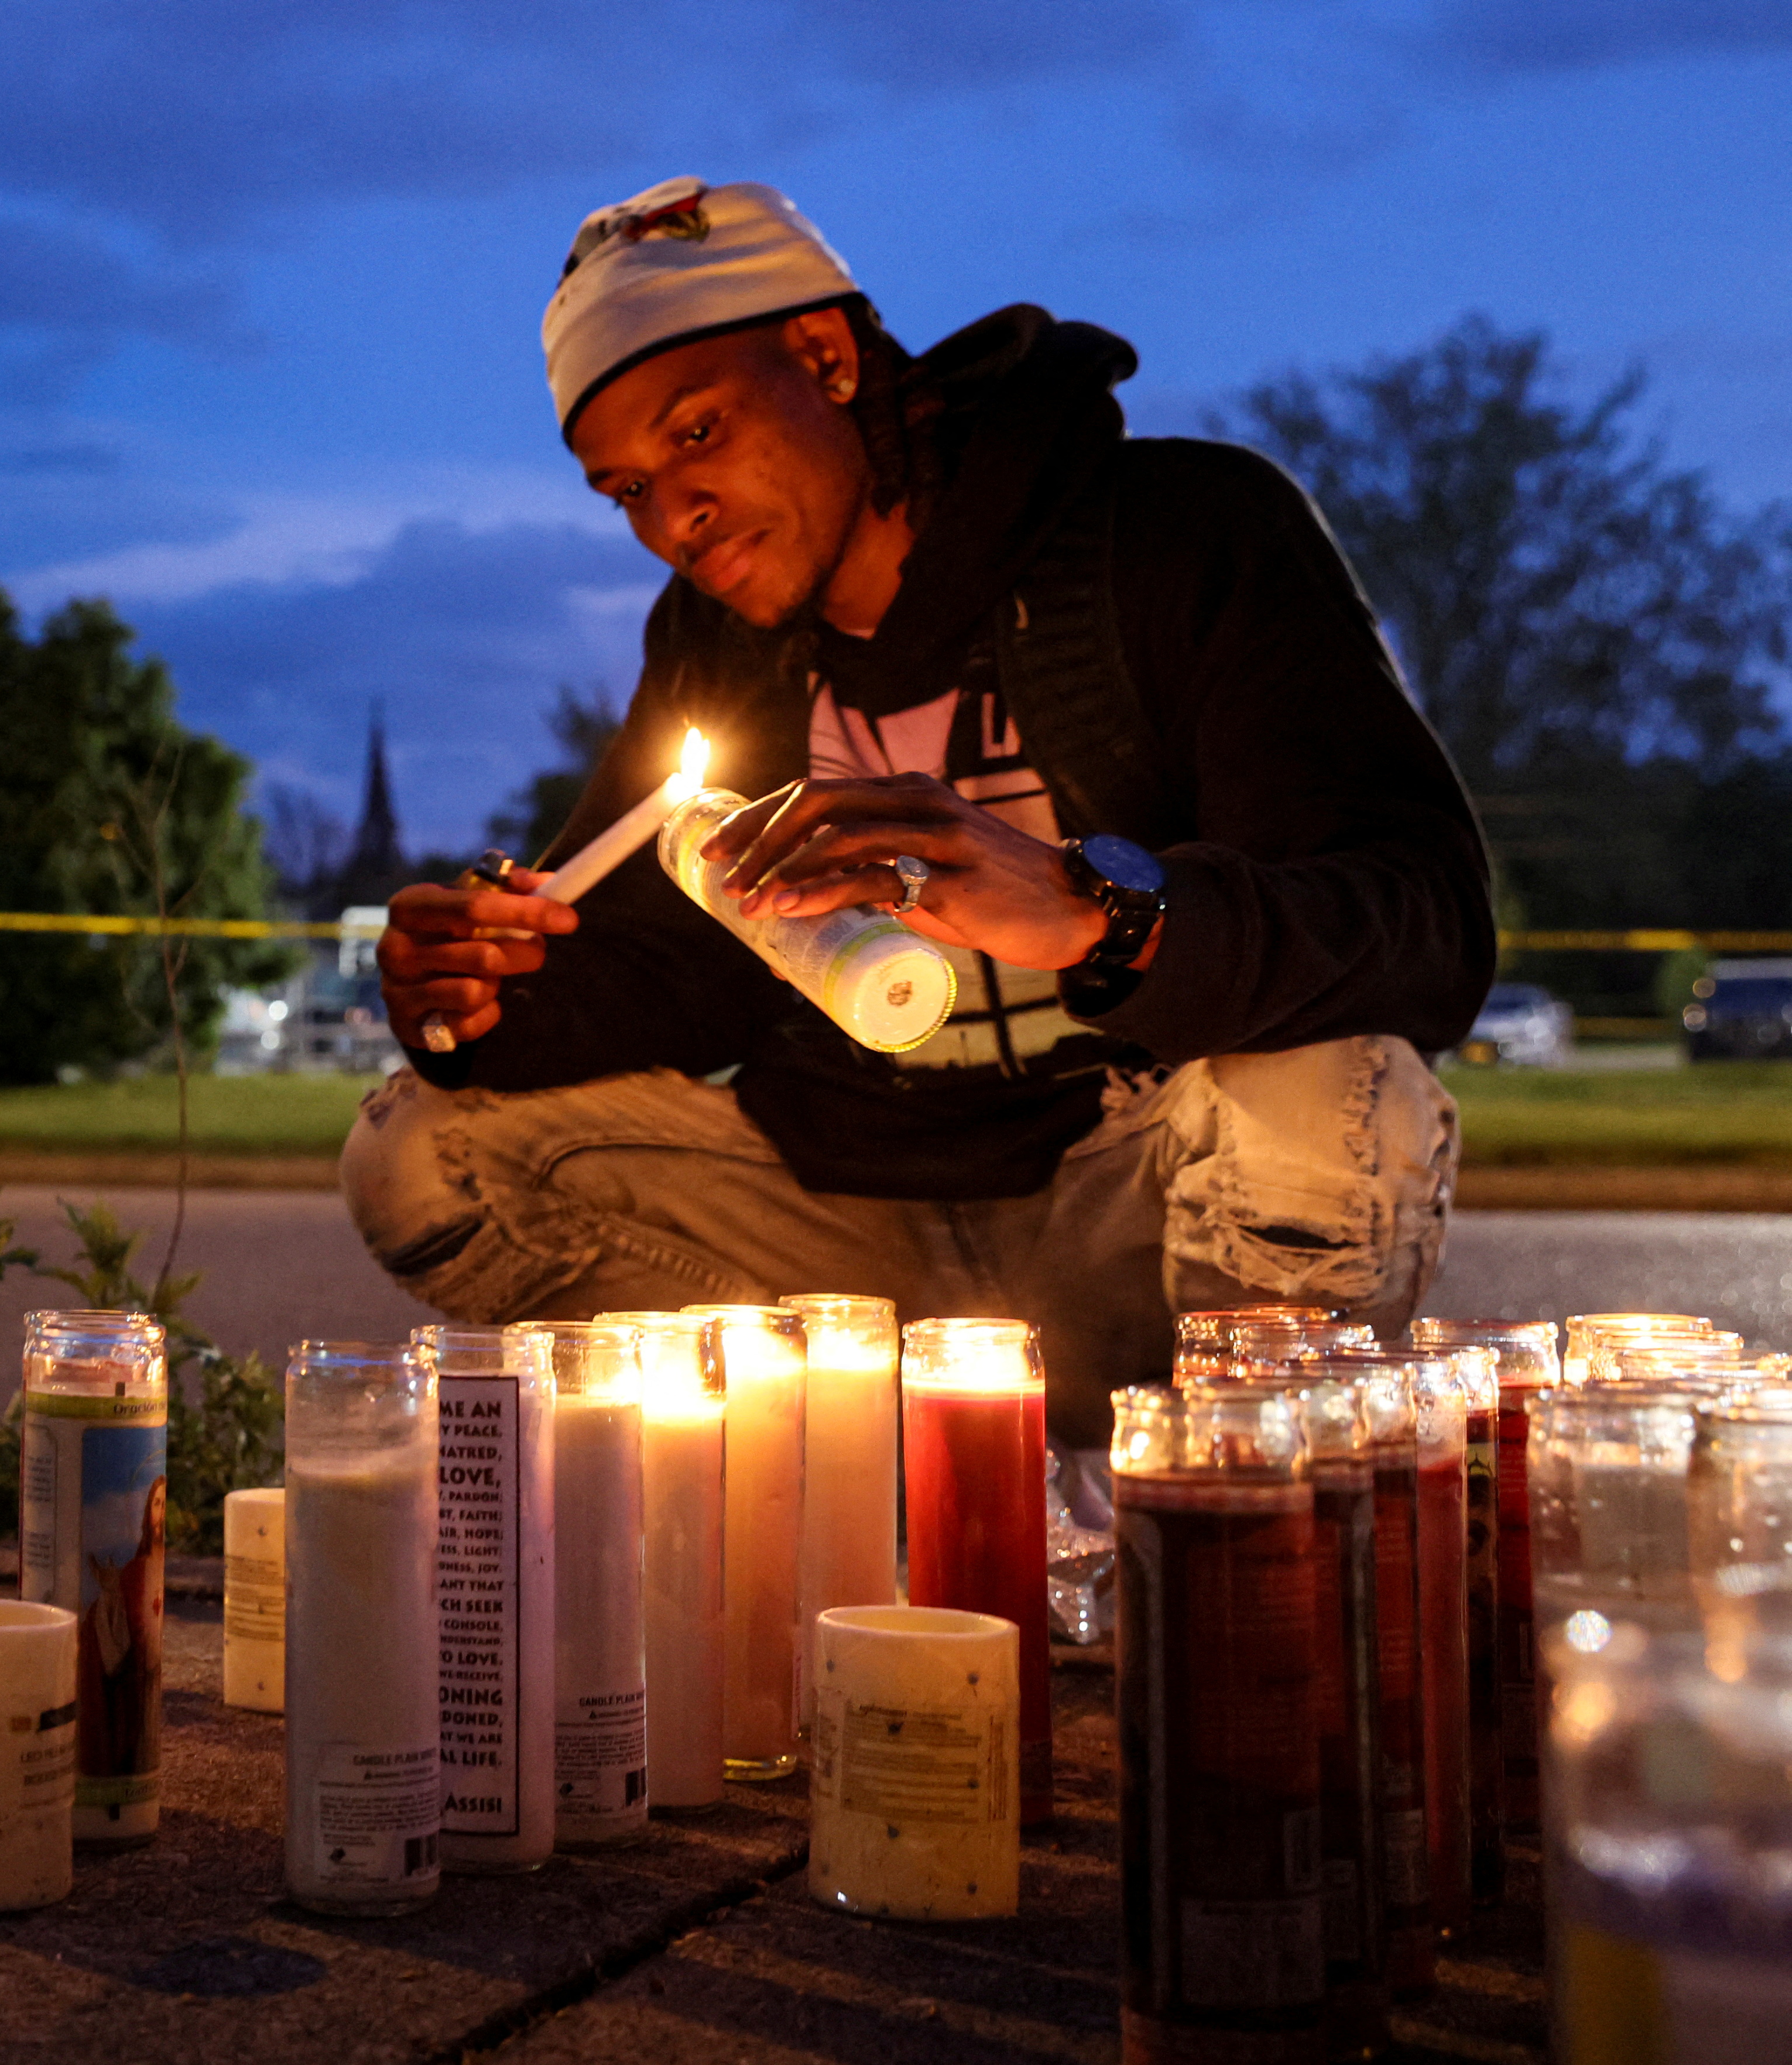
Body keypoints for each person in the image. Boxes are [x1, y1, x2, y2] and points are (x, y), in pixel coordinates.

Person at [343, 178, 1493, 1451]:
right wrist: (485, 994)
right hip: (843, 1238)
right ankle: (836, 1488)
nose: (672, 519)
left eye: (698, 435)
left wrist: (1095, 912)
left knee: (1339, 1090)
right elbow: (671, 980)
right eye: (625, 491)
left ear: (824, 356)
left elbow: (1419, 923)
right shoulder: (715, 644)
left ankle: (1220, 1518)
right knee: (423, 1148)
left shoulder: (1176, 533)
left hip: (1126, 1216)